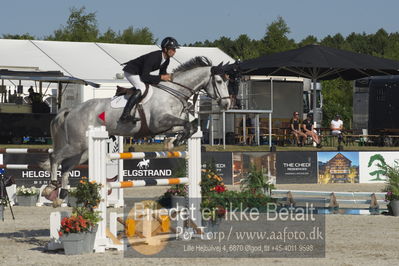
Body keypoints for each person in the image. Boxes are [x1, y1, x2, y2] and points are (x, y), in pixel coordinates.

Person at [119, 37, 180, 123]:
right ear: (165, 49)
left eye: (175, 49)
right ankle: (125, 115)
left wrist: (170, 78)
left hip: (140, 73)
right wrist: (161, 77)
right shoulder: (154, 57)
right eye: (172, 49)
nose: (174, 51)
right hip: (131, 71)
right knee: (141, 88)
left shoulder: (167, 60)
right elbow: (145, 77)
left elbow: (162, 74)